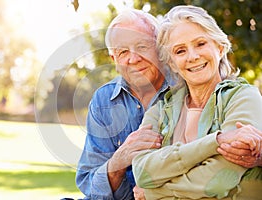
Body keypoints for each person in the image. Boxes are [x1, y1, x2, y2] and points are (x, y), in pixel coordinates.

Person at [132, 5, 262, 200]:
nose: (193, 57)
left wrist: (154, 192)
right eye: (180, 51)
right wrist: (216, 141)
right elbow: (143, 173)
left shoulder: (244, 97)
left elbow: (218, 181)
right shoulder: (161, 109)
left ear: (220, 47)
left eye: (200, 44)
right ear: (172, 64)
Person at [75, 9, 175, 199]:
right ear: (114, 60)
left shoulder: (184, 88)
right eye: (123, 52)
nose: (133, 59)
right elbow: (90, 184)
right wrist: (119, 160)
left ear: (160, 47)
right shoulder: (103, 101)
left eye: (142, 46)